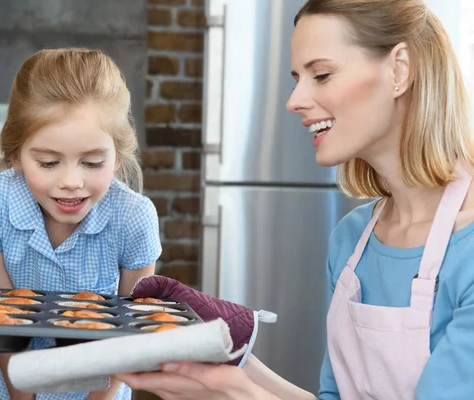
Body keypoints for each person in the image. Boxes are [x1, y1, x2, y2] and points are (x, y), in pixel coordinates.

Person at [116, 0, 474, 399]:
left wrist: (242, 395)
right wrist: (229, 355)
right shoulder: (353, 240)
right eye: (297, 77)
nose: (294, 100)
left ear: (399, 70)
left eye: (320, 74)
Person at [0, 48, 161, 400]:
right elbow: (4, 319)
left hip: (101, 391)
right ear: (15, 155)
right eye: (50, 162)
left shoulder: (132, 217)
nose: (71, 181)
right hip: (19, 384)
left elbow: (129, 340)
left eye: (93, 162)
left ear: (116, 158)